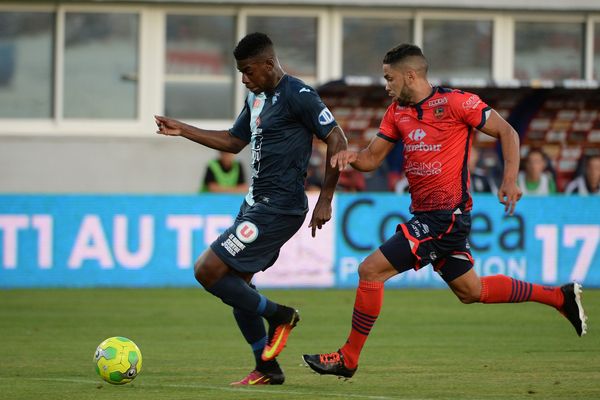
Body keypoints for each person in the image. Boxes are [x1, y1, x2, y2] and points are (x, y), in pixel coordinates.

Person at [303, 44, 587, 379]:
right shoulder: (397, 112)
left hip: (445, 216)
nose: (386, 85)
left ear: (410, 75)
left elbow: (506, 132)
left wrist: (510, 179)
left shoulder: (456, 102)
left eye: (389, 78)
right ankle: (558, 296)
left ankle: (348, 358)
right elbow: (371, 159)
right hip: (427, 216)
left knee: (370, 271)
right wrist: (351, 156)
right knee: (471, 291)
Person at [155, 32, 347, 386]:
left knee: (207, 270)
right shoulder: (256, 98)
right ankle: (267, 367)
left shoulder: (299, 95)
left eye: (247, 71)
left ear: (268, 64)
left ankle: (281, 316)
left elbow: (337, 138)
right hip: (254, 205)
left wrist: (326, 198)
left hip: (280, 207)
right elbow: (233, 140)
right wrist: (183, 129)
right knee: (236, 285)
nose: (244, 78)